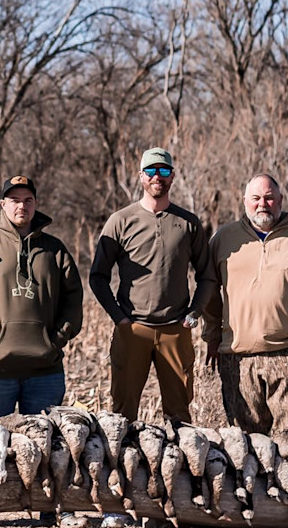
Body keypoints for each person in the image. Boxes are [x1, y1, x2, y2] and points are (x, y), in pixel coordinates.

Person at [202, 174, 288, 438]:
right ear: (245, 201)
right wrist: (212, 336)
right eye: (255, 198)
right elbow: (209, 293)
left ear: (280, 200)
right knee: (244, 450)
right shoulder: (224, 239)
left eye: (268, 197)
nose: (262, 204)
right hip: (238, 358)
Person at [90, 147, 216, 425]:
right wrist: (119, 318)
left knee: (180, 415)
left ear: (172, 177)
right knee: (121, 415)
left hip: (175, 330)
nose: (157, 176)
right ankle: (121, 466)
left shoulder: (188, 223)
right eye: (151, 171)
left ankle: (180, 467)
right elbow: (97, 276)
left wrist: (194, 313)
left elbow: (207, 276)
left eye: (163, 171)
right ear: (141, 177)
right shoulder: (120, 221)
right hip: (132, 329)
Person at [0, 175, 83, 427]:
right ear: (2, 204)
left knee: (46, 449)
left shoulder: (54, 249)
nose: (21, 206)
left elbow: (74, 300)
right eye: (14, 200)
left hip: (45, 371)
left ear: (36, 204)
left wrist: (54, 341)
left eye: (28, 200)